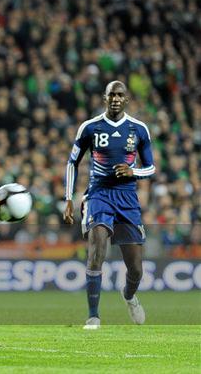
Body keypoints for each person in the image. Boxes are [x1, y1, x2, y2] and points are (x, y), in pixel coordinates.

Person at [63, 81, 155, 330]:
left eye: (120, 95)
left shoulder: (139, 129)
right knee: (97, 249)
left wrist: (132, 171)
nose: (115, 98)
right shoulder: (90, 127)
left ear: (126, 99)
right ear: (105, 98)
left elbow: (151, 167)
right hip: (98, 195)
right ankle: (93, 316)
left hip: (127, 199)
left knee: (135, 268)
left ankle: (129, 296)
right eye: (111, 94)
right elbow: (72, 162)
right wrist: (68, 198)